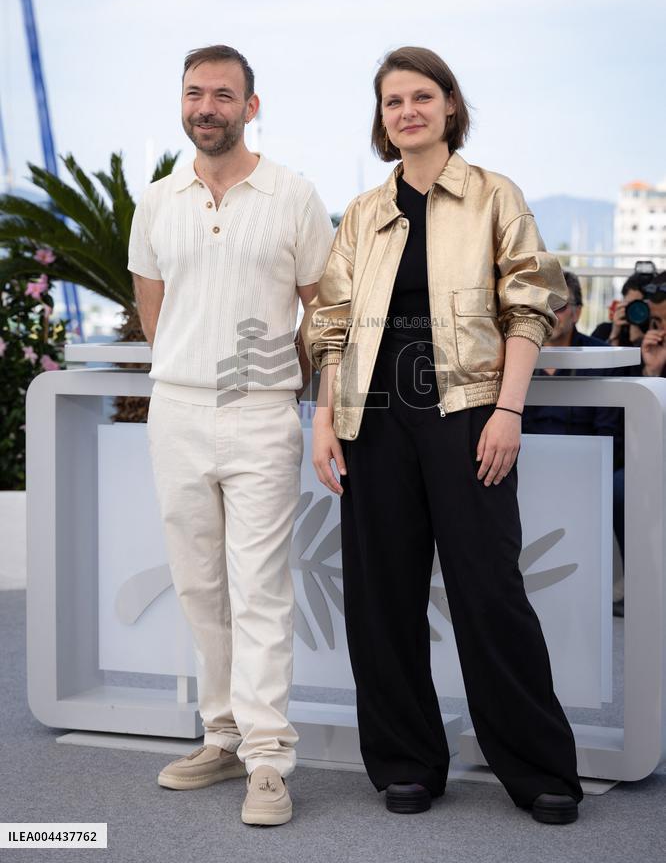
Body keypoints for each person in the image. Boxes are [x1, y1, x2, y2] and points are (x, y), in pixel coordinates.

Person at [306, 46, 583, 824]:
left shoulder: (495, 195)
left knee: (489, 590)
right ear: (381, 118)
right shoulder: (364, 213)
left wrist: (509, 411)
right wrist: (325, 420)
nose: (407, 112)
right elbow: (328, 323)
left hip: (468, 413)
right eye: (393, 102)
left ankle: (537, 769)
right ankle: (407, 762)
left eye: (421, 97)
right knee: (382, 595)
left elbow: (531, 304)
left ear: (450, 106)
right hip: (373, 414)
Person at [128, 45, 334, 826]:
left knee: (260, 591)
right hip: (177, 410)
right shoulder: (157, 201)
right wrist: (187, 370)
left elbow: (322, 307)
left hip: (260, 412)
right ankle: (221, 735)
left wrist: (293, 382)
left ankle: (268, 760)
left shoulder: (294, 196)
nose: (205, 107)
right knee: (200, 587)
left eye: (222, 94)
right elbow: (154, 312)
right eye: (193, 94)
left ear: (252, 106)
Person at [522, 270, 626, 615]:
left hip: (586, 470)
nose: (551, 313)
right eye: (543, 304)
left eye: (560, 305)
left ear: (578, 312)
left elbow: (608, 433)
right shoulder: (517, 355)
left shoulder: (602, 358)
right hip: (523, 466)